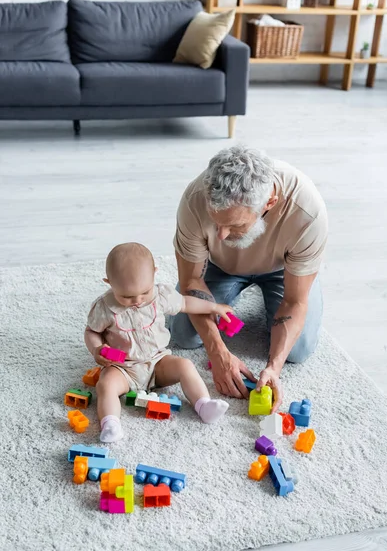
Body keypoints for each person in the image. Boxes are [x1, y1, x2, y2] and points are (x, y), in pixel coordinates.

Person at [170, 145, 328, 412]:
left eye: (235, 226)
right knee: (184, 335)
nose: (221, 235)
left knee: (297, 351)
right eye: (216, 222)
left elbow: (295, 301)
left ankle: (270, 290)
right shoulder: (195, 199)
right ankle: (239, 288)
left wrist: (273, 368)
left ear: (269, 203)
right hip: (219, 267)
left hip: (283, 269)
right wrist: (217, 351)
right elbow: (191, 283)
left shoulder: (307, 211)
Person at [85, 242, 232, 442]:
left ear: (154, 273)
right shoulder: (104, 307)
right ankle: (111, 424)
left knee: (185, 365)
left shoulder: (160, 295)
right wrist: (97, 349)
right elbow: (91, 331)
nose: (137, 300)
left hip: (158, 361)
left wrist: (213, 307)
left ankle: (203, 405)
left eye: (144, 292)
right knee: (106, 385)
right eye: (126, 296)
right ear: (109, 283)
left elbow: (186, 303)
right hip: (123, 368)